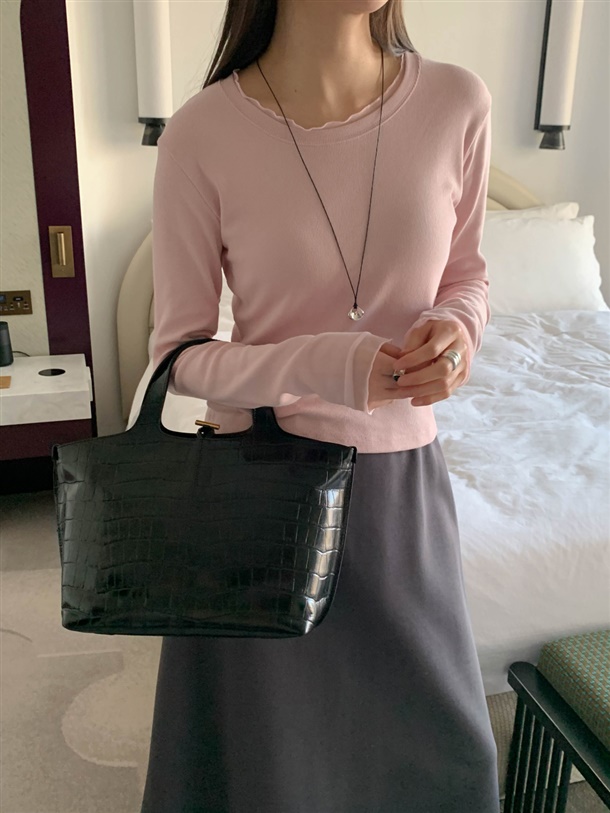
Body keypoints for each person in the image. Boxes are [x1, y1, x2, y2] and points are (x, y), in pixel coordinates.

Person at [140, 1, 500, 811]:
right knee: (271, 775)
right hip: (257, 499)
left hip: (401, 490)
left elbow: (467, 273)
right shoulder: (201, 133)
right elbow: (177, 360)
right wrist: (327, 364)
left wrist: (458, 330)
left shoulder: (457, 102)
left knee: (447, 759)